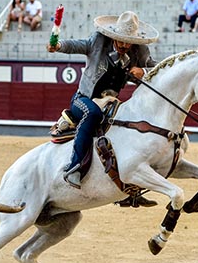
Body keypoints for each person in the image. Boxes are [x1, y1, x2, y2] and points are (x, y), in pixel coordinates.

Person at [46, 11, 159, 203]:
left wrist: (144, 71)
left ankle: (130, 190)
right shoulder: (98, 41)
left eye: (127, 42)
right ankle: (74, 167)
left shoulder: (138, 51)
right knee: (92, 113)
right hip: (83, 99)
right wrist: (57, 45)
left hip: (111, 102)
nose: (124, 45)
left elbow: (156, 68)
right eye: (120, 41)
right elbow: (76, 45)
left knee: (130, 128)